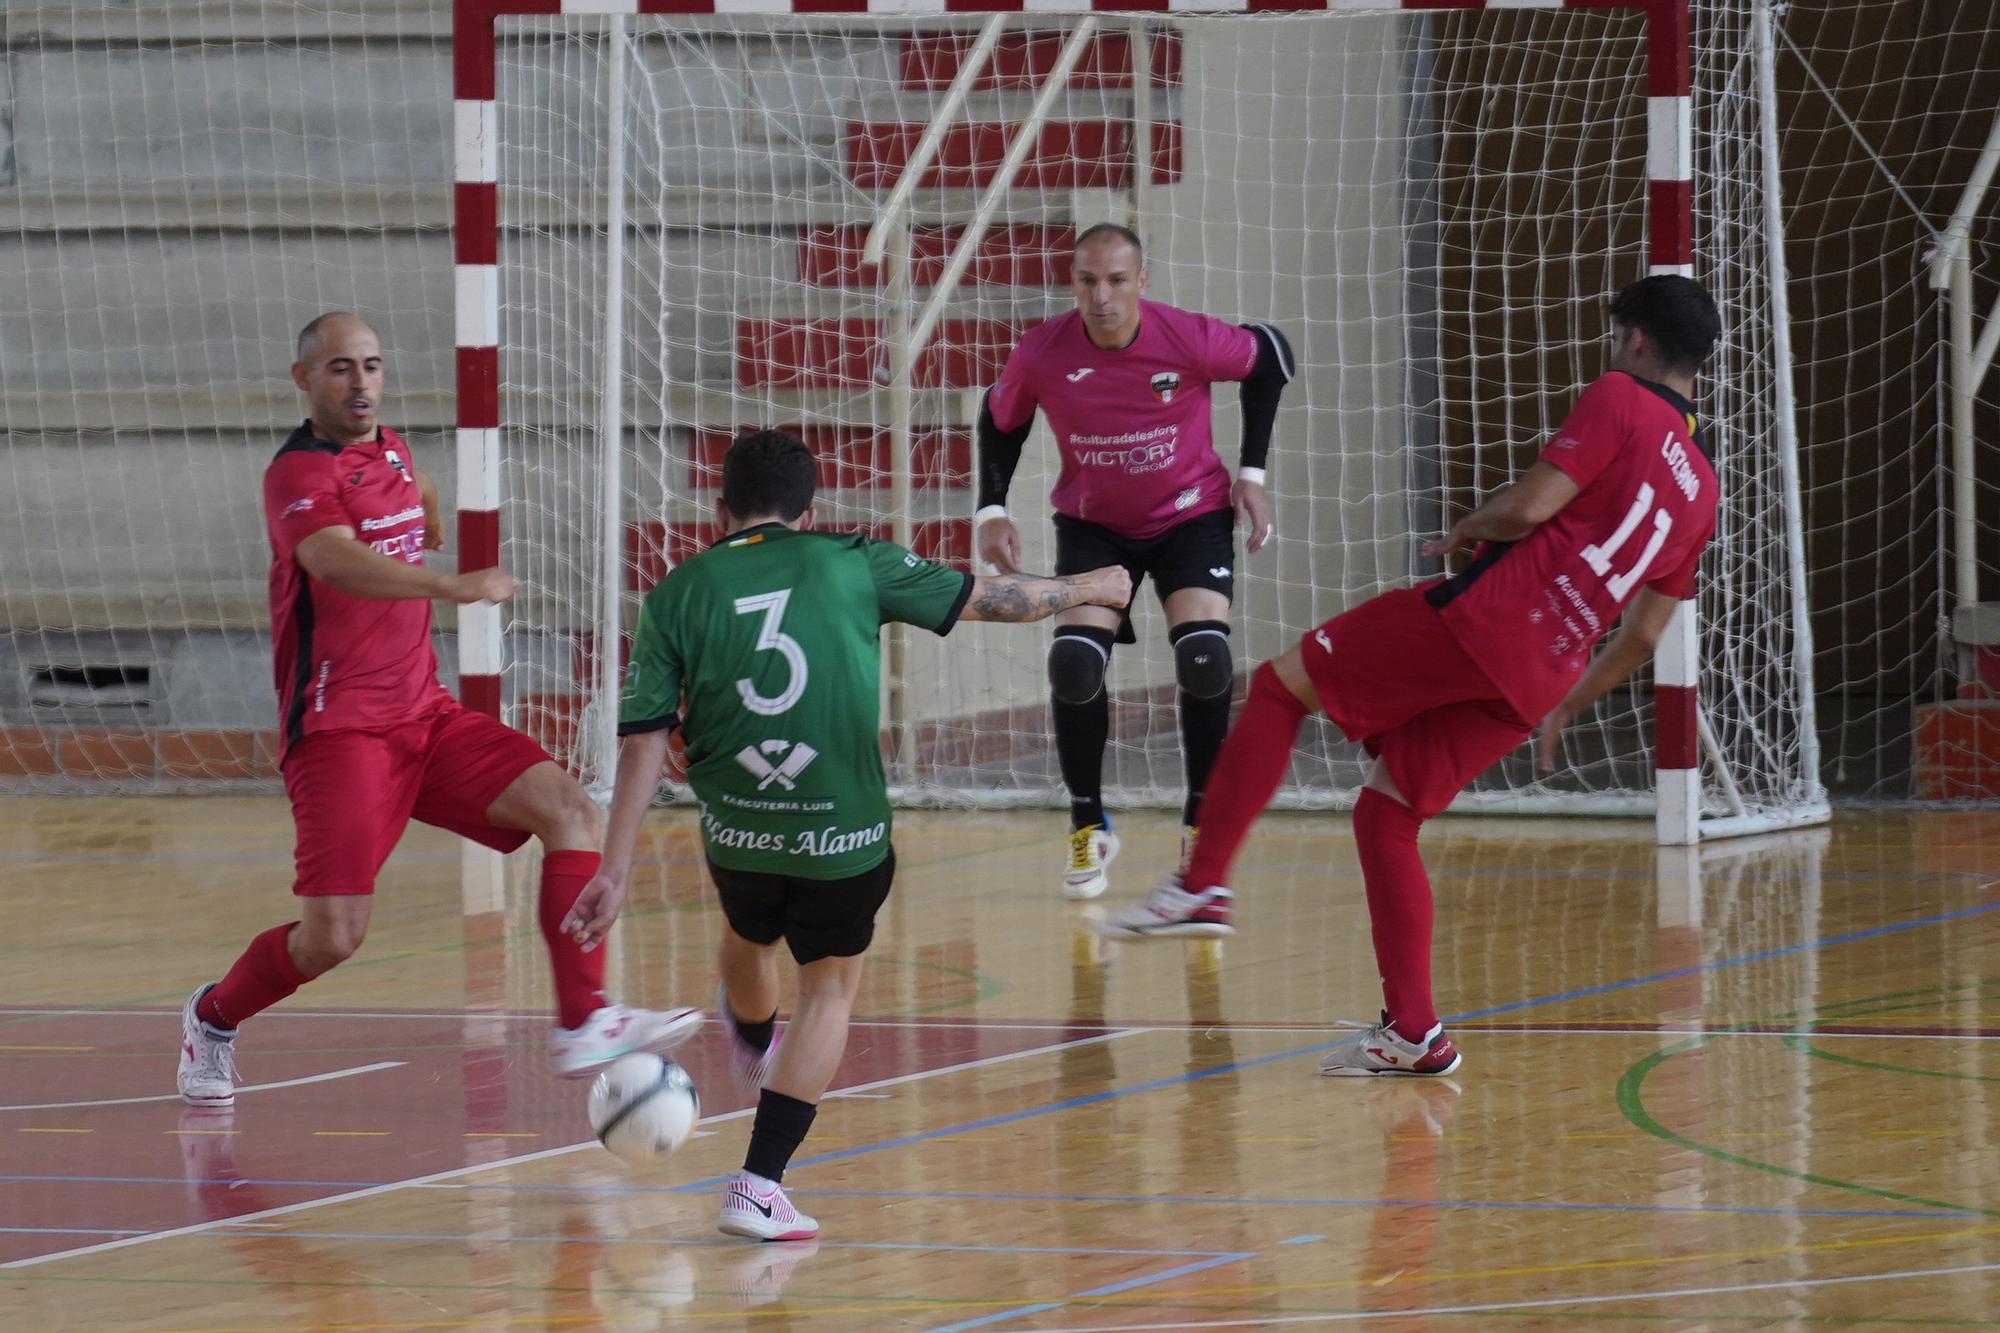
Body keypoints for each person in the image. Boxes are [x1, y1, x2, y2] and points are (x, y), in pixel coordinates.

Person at [1099, 275, 1724, 1079]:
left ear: (1634, 341)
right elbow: (1643, 632)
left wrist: (1472, 523)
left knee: (1281, 686)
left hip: (1487, 620)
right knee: (1387, 816)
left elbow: (1531, 507)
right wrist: (1570, 700)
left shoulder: (1618, 397)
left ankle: (1202, 883)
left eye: (1615, 338)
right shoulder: (1703, 489)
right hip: (1538, 678)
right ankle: (1413, 1032)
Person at [562, 429, 1131, 1240]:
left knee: (749, 927)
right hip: (841, 835)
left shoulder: (675, 593)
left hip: (737, 830)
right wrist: (1092, 584)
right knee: (829, 986)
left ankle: (752, 1034)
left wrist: (612, 870)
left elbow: (644, 739)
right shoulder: (854, 558)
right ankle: (759, 1185)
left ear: (720, 512)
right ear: (813, 510)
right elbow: (997, 600)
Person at [175, 313, 700, 1108]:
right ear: (304, 378)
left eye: (373, 366)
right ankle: (212, 1016)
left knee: (566, 808)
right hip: (340, 732)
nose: (361, 382)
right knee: (333, 938)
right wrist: (448, 583)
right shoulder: (296, 475)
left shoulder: (392, 450)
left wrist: (426, 515)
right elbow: (332, 558)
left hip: (426, 713)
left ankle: (583, 1020)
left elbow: (414, 502)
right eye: (342, 368)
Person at [974, 222, 1295, 900]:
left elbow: (1271, 355)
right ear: (1073, 284)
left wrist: (1253, 473)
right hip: (1095, 527)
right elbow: (1000, 418)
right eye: (1088, 281)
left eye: (1117, 280)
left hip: (1191, 517)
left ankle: (1201, 823)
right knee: (1073, 663)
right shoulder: (1043, 352)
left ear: (1141, 282)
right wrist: (992, 509)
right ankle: (1088, 822)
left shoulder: (1186, 338)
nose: (1102, 296)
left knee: (1205, 660)